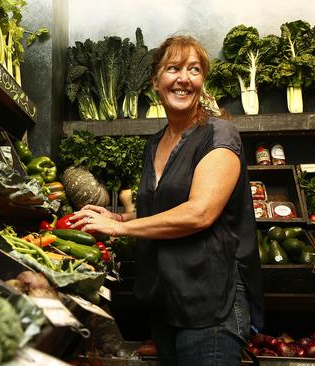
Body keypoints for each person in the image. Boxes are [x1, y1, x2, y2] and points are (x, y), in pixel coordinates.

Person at [71, 35, 264, 365]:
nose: (184, 78)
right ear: (155, 81)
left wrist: (120, 231)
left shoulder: (220, 134)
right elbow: (158, 212)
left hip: (211, 301)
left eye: (194, 69)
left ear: (202, 81)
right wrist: (118, 219)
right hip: (167, 300)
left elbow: (199, 213)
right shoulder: (156, 142)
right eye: (173, 68)